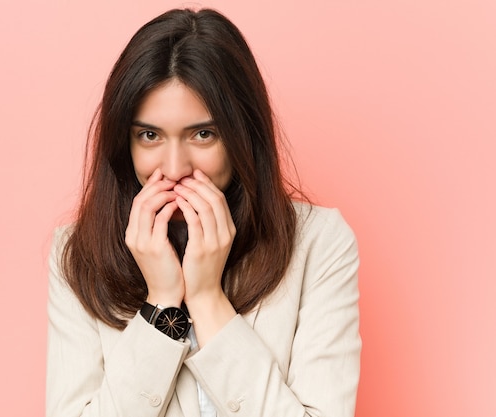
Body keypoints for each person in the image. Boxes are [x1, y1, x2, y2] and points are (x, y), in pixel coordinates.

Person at [46, 7, 360, 417]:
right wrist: (161, 307)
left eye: (203, 134)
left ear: (242, 136)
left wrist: (208, 299)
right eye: (149, 135)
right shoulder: (76, 252)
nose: (175, 169)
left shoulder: (320, 244)